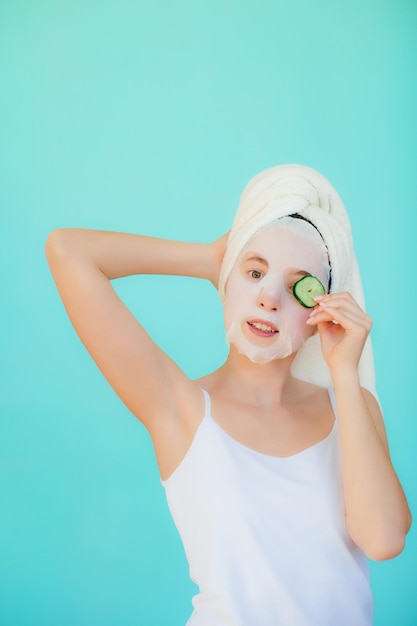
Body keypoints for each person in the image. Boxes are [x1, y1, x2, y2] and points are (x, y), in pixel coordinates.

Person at [46, 164, 411, 625]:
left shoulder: (353, 406)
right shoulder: (180, 408)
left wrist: (343, 372)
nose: (269, 297)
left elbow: (382, 540)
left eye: (299, 286)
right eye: (254, 272)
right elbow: (67, 250)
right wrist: (206, 260)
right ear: (228, 283)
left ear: (322, 310)